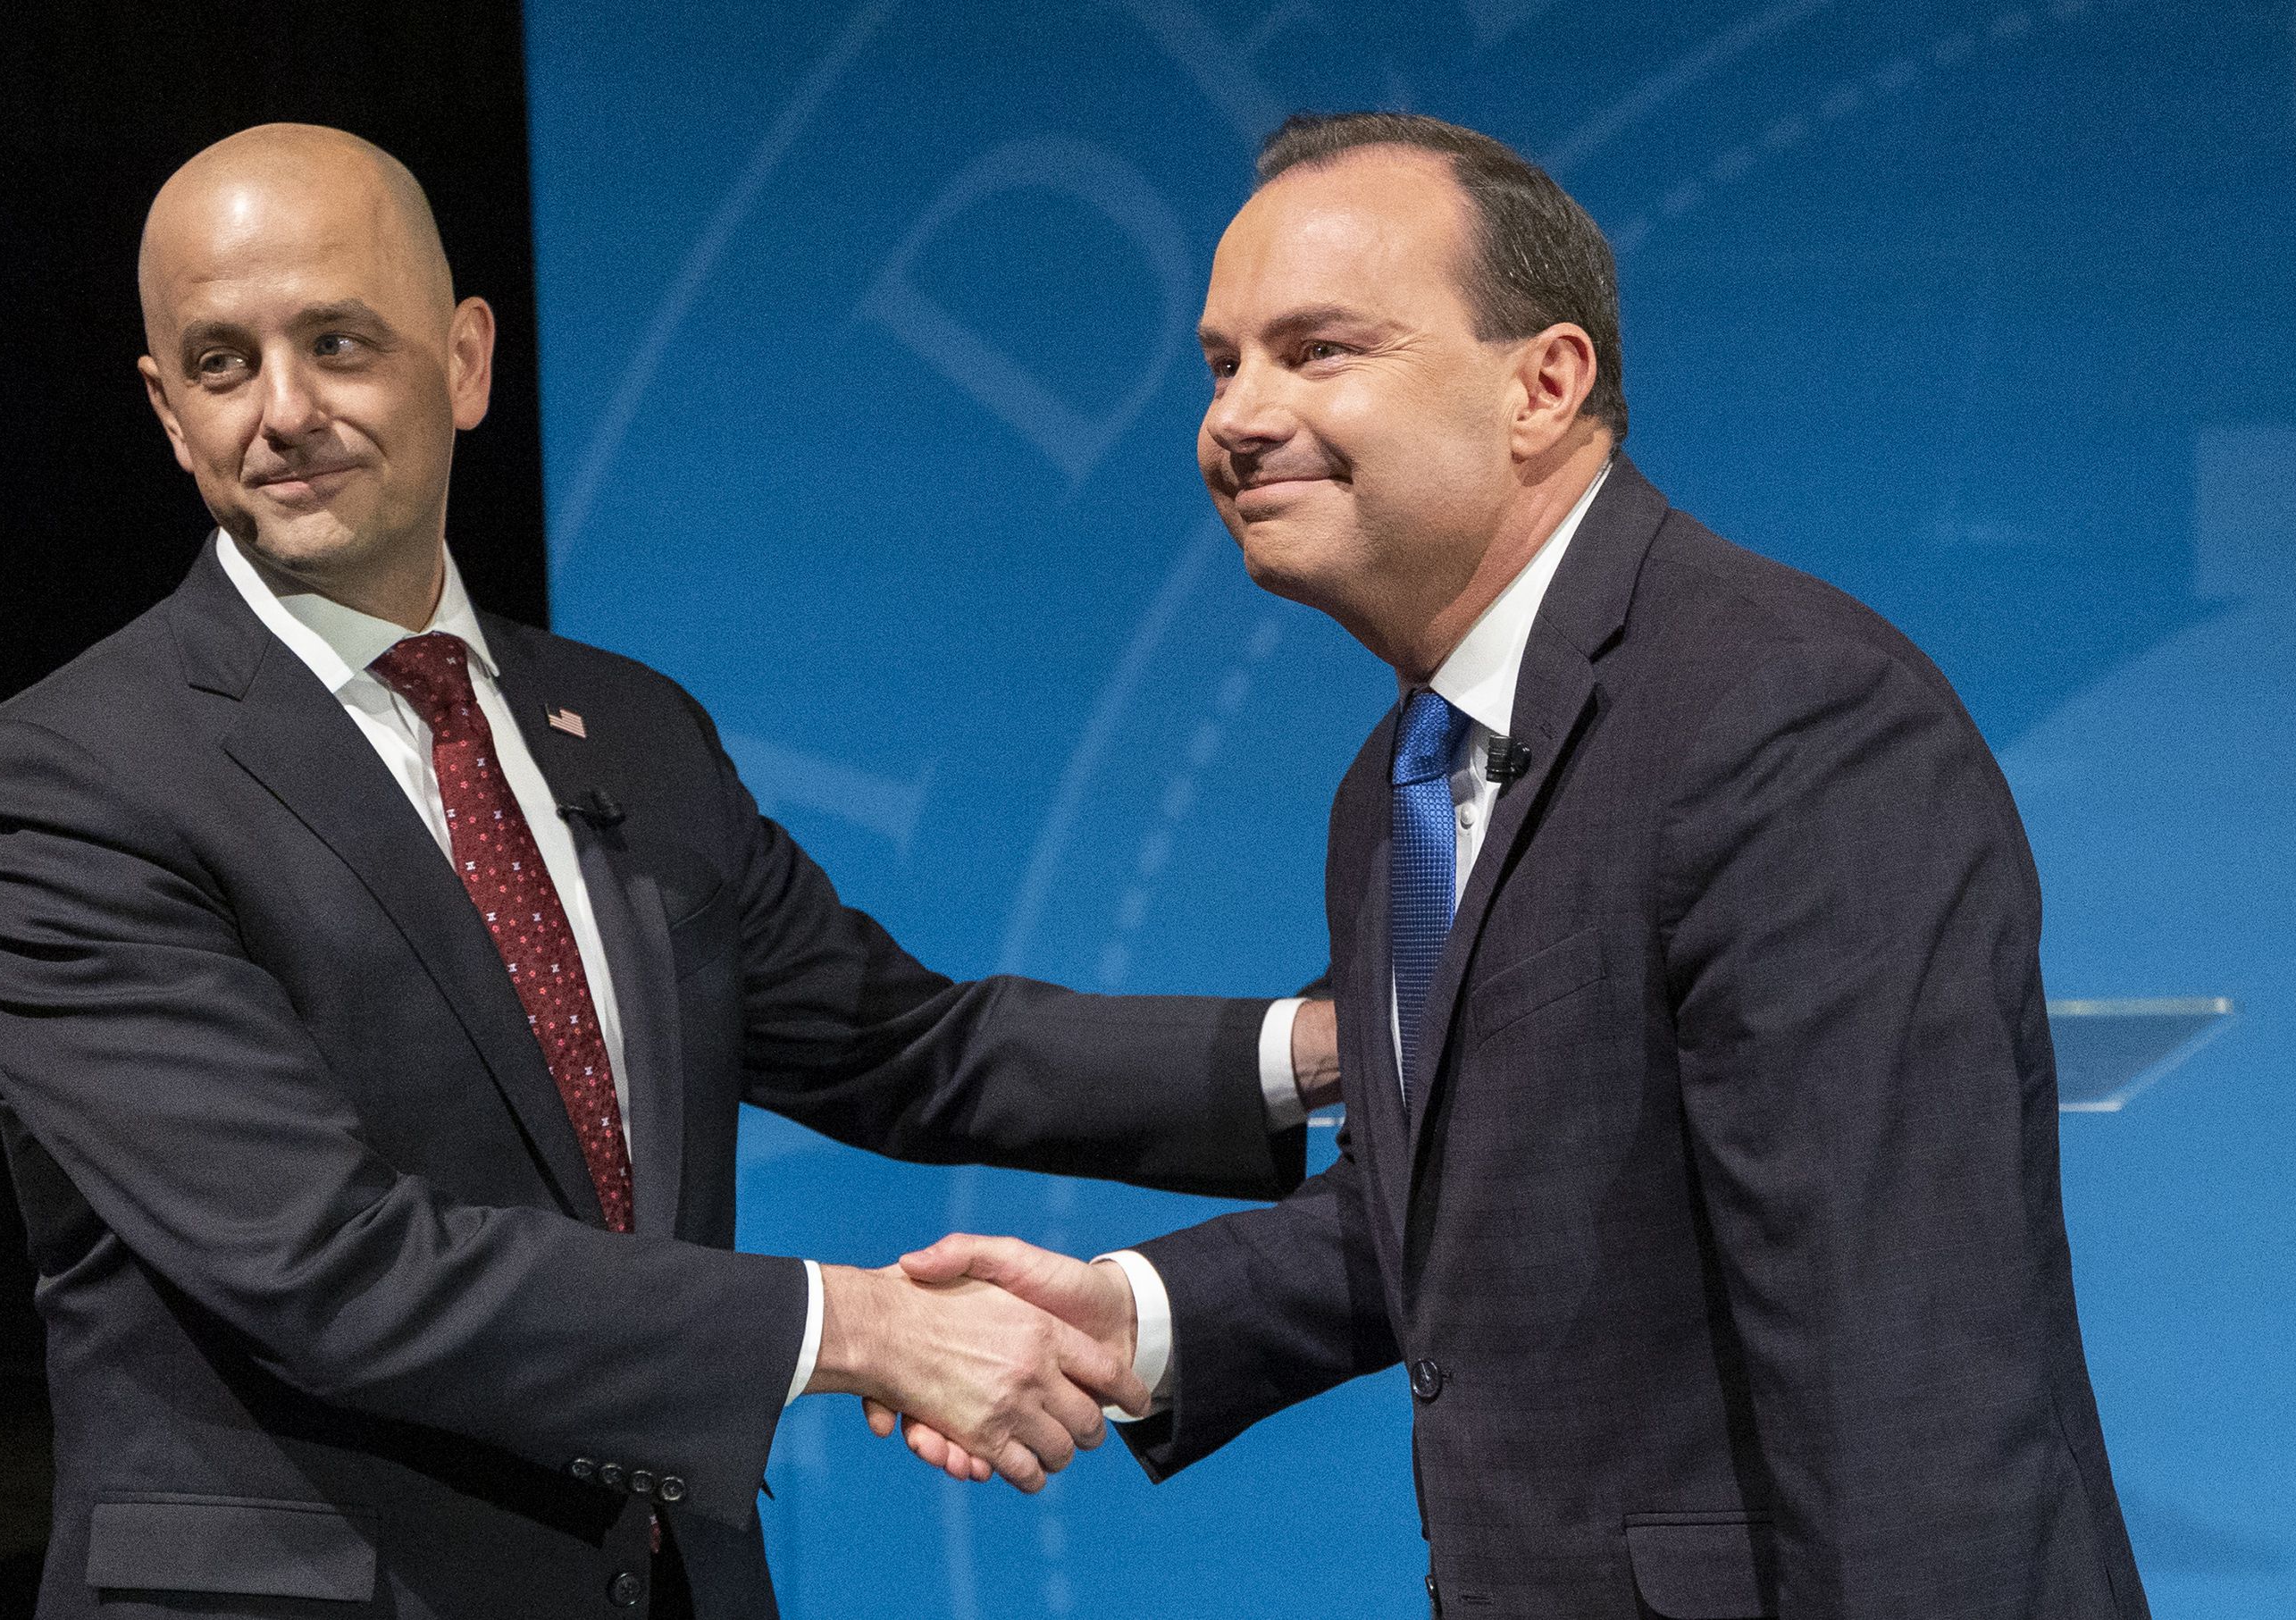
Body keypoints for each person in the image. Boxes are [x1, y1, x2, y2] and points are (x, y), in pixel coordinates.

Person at [0, 123, 1337, 1620]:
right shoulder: (64, 785)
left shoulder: (631, 728)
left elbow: (904, 1043)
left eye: (338, 342)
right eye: (222, 364)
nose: (283, 411)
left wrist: (1329, 1049)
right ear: (165, 409)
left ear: (464, 362)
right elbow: (330, 1263)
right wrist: (852, 1324)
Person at [893, 113, 2150, 1619]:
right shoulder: (1397, 779)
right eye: (1224, 363)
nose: (1238, 416)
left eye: (1320, 350)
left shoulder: (1784, 718)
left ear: (1542, 386)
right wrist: (1135, 1319)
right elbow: (1468, 1206)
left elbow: (1907, 1368)